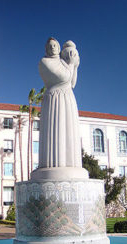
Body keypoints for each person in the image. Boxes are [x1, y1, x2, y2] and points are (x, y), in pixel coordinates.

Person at [38, 38, 82, 169]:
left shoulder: (63, 62)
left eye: (55, 45)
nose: (52, 47)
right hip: (54, 98)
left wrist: (75, 66)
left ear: (58, 48)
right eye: (50, 46)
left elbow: (72, 82)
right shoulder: (44, 62)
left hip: (67, 97)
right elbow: (63, 77)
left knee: (69, 130)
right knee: (54, 133)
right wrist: (72, 64)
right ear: (46, 49)